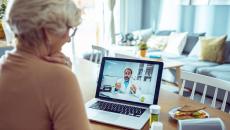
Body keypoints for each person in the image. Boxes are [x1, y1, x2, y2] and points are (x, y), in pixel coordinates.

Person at [0, 0, 91, 130]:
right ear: (47, 32)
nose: (68, 38)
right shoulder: (60, 78)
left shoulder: (3, 65)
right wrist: (64, 74)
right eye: (68, 29)